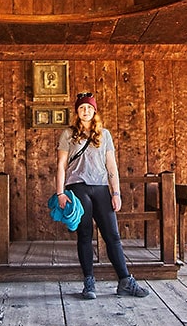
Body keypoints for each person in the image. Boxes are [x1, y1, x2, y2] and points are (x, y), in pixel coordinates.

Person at [55, 92, 150, 299]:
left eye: (89, 107)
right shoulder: (68, 134)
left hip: (100, 188)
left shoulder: (104, 134)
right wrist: (60, 192)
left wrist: (116, 192)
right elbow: (61, 166)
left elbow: (111, 166)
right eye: (81, 108)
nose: (85, 111)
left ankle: (125, 281)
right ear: (77, 112)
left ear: (94, 110)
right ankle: (89, 283)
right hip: (77, 187)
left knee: (112, 235)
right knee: (85, 235)